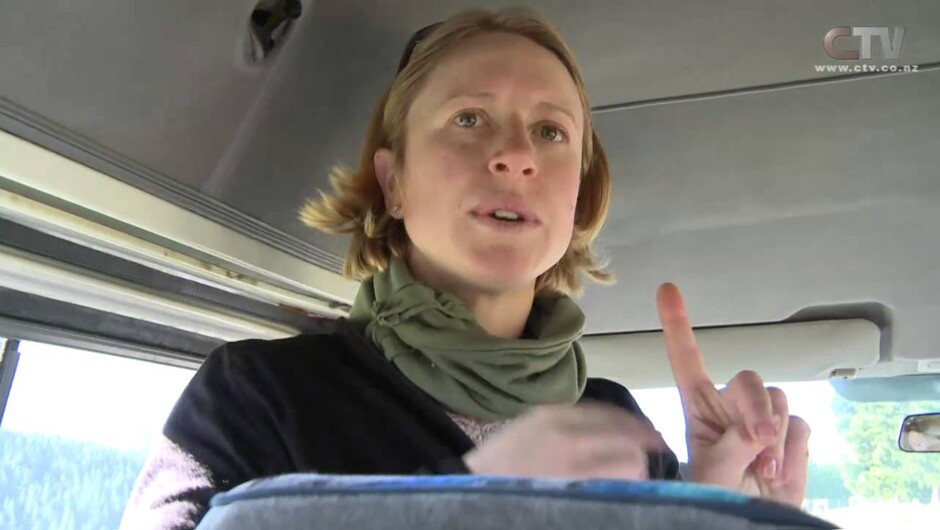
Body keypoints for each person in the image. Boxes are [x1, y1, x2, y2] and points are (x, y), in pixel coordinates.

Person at [119, 7, 810, 529]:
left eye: (551, 131)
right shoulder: (259, 395)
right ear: (393, 183)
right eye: (470, 119)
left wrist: (716, 510)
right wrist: (474, 493)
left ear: (575, 196)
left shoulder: (614, 423)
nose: (517, 155)